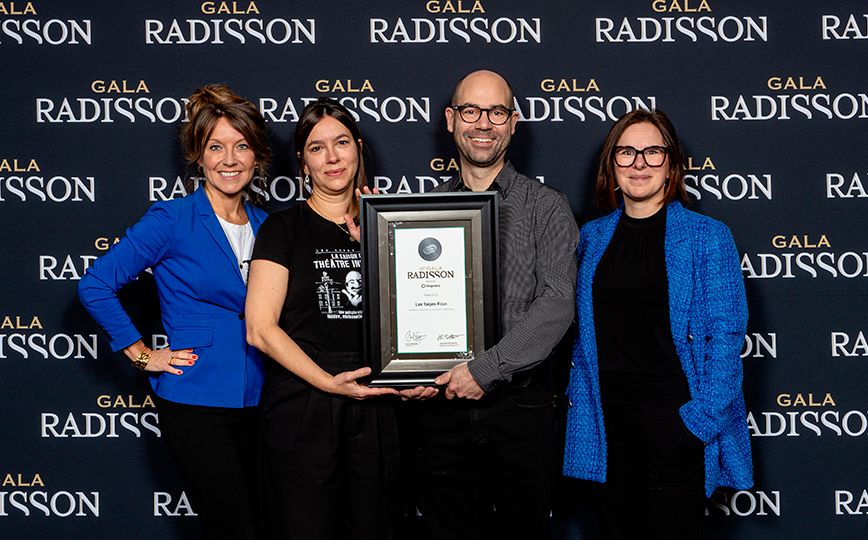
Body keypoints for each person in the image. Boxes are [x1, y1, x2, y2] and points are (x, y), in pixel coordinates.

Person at [78, 84, 271, 539]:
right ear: (198, 157)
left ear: (257, 156)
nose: (229, 159)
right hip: (197, 403)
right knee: (235, 529)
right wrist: (144, 355)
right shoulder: (172, 219)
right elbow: (95, 285)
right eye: (216, 147)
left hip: (264, 400)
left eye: (241, 146)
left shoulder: (269, 225)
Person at [563, 109, 753, 539]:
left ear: (671, 165)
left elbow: (726, 335)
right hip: (607, 423)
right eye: (627, 152)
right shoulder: (591, 236)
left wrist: (697, 422)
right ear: (611, 164)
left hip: (676, 419)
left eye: (652, 152)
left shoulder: (708, 236)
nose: (639, 163)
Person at [408, 70, 579, 540]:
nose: (483, 123)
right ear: (450, 119)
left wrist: (485, 369)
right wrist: (407, 370)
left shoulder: (546, 207)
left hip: (520, 411)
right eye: (470, 111)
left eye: (496, 111)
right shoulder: (420, 216)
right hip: (440, 411)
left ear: (513, 122)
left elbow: (558, 303)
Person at [245, 97, 400, 540]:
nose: (332, 157)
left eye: (342, 143)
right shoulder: (282, 228)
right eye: (317, 148)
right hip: (304, 406)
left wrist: (379, 243)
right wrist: (329, 382)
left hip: (376, 406)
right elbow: (260, 327)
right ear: (303, 162)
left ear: (359, 149)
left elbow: (415, 310)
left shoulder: (392, 225)